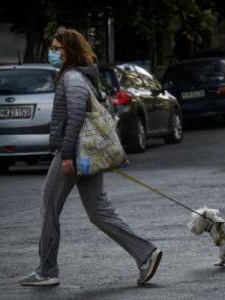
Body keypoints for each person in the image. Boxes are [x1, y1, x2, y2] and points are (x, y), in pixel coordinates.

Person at [19, 28, 162, 287]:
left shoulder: (71, 79)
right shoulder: (79, 77)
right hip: (85, 156)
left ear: (69, 51)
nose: (51, 53)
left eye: (56, 49)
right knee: (98, 211)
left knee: (49, 208)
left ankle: (47, 270)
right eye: (51, 49)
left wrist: (66, 154)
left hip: (74, 154)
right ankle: (145, 254)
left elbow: (75, 117)